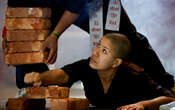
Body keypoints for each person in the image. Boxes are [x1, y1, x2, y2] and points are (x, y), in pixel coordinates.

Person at [6, 0, 174, 91]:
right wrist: (12, 37)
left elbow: (77, 5)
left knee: (125, 39)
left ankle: (167, 85)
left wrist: (55, 35)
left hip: (90, 2)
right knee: (25, 38)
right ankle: (31, 90)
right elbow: (17, 13)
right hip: (47, 4)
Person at [24, 33, 175, 110]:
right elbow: (63, 74)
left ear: (116, 62)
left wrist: (143, 105)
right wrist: (41, 77)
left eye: (104, 51)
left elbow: (170, 98)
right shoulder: (87, 66)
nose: (95, 52)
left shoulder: (134, 75)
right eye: (97, 45)